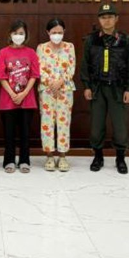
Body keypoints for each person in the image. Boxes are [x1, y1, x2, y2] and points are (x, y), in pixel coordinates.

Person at [81, 3, 129, 174]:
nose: (107, 20)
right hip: (97, 89)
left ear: (116, 19)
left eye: (110, 17)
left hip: (117, 89)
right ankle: (98, 156)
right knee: (96, 127)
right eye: (103, 17)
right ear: (99, 20)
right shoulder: (91, 40)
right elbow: (85, 65)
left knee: (120, 127)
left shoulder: (125, 40)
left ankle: (120, 158)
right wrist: (86, 86)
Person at [0, 20, 40, 173]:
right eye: (15, 33)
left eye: (21, 33)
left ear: (26, 35)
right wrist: (13, 94)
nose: (18, 36)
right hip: (8, 100)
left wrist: (23, 93)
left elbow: (34, 75)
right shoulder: (3, 52)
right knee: (9, 133)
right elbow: (1, 76)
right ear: (10, 34)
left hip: (27, 100)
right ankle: (9, 160)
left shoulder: (31, 52)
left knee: (25, 133)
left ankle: (24, 160)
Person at [36, 18, 76, 172]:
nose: (57, 35)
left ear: (64, 32)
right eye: (54, 32)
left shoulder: (69, 47)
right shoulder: (41, 48)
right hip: (47, 90)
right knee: (47, 122)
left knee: (64, 122)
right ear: (48, 32)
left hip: (65, 89)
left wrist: (60, 82)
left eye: (60, 32)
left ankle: (63, 155)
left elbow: (71, 67)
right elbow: (39, 68)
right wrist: (51, 83)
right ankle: (49, 155)